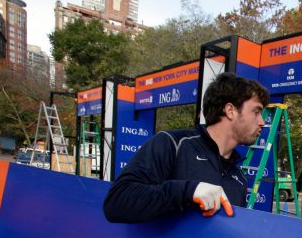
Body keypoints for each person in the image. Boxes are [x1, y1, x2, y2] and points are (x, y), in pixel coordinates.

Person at [103, 72, 269, 222]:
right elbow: (116, 203)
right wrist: (188, 190)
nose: (262, 122)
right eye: (256, 111)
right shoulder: (172, 144)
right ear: (230, 110)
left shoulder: (239, 179)